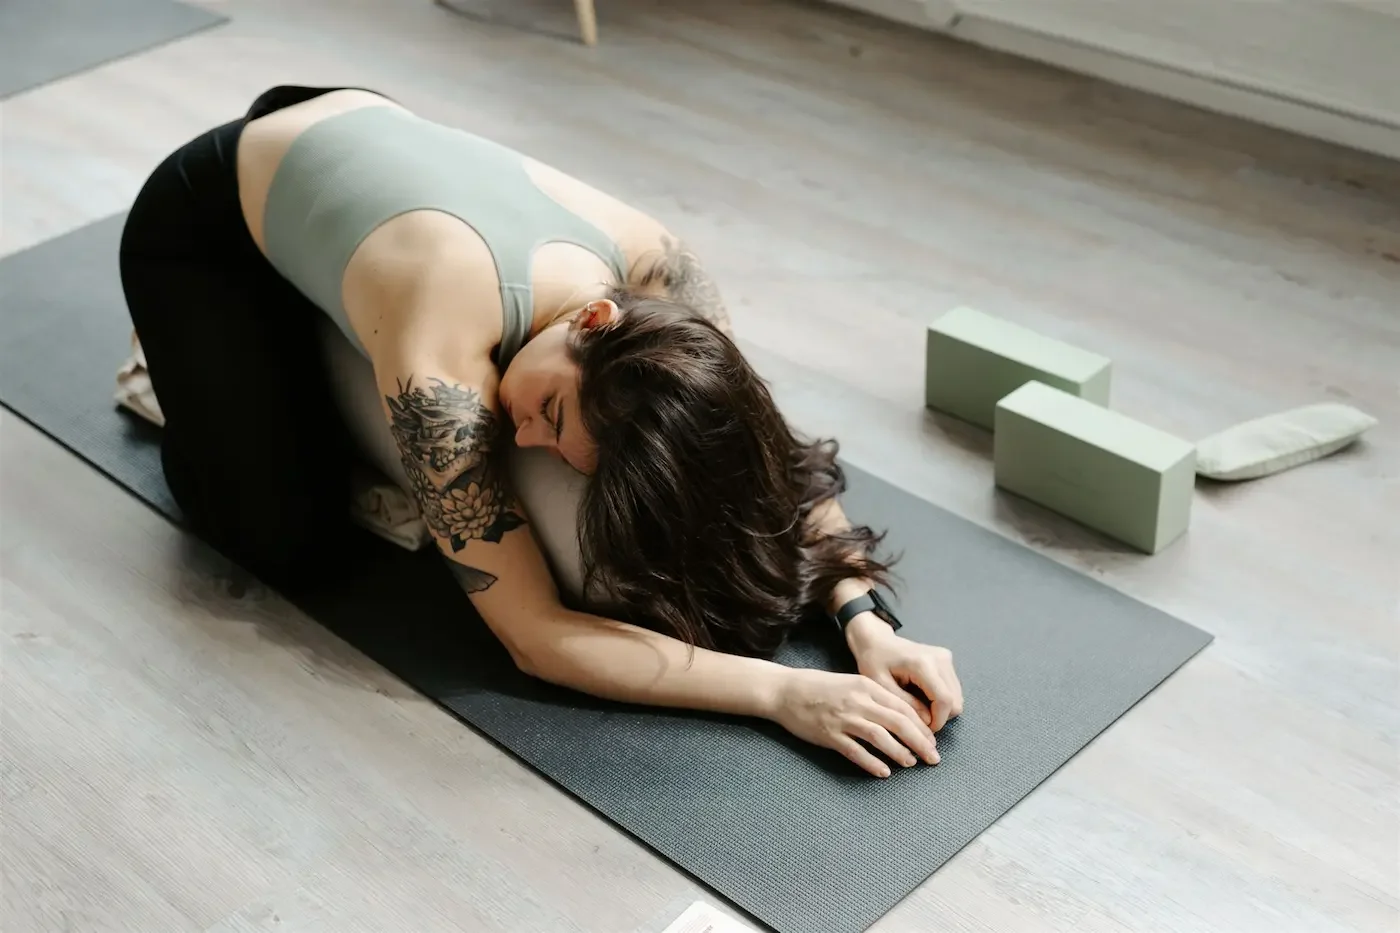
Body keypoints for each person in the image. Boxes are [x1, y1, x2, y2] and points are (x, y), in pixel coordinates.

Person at [118, 85, 963, 779]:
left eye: (559, 441)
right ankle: (181, 363)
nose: (528, 442)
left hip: (367, 150)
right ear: (593, 321)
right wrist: (783, 694)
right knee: (285, 542)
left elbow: (763, 457)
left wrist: (864, 620)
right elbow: (534, 637)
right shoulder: (440, 361)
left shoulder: (667, 284)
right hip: (208, 223)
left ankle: (324, 323)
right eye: (554, 415)